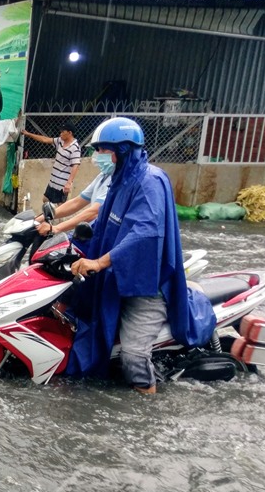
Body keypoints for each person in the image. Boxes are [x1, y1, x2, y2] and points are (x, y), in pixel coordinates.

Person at [66, 117, 215, 394]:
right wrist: (66, 240)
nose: (97, 157)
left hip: (146, 288)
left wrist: (99, 261)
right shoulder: (118, 181)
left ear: (122, 150)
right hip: (119, 277)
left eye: (102, 151)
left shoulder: (149, 181)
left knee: (132, 356)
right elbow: (104, 226)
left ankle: (147, 400)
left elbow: (144, 233)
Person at [35, 167, 112, 238]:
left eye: (103, 151)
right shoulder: (103, 176)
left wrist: (56, 228)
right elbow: (76, 202)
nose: (99, 154)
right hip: (91, 233)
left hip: (102, 236)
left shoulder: (115, 181)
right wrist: (39, 218)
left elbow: (94, 212)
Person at [22, 120, 81, 204]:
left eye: (63, 131)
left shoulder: (75, 148)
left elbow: (76, 165)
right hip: (53, 181)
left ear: (69, 133)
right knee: (45, 200)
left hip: (62, 184)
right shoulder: (60, 141)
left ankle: (58, 217)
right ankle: (49, 216)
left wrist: (69, 183)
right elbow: (45, 139)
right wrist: (29, 134)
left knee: (60, 206)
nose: (60, 133)